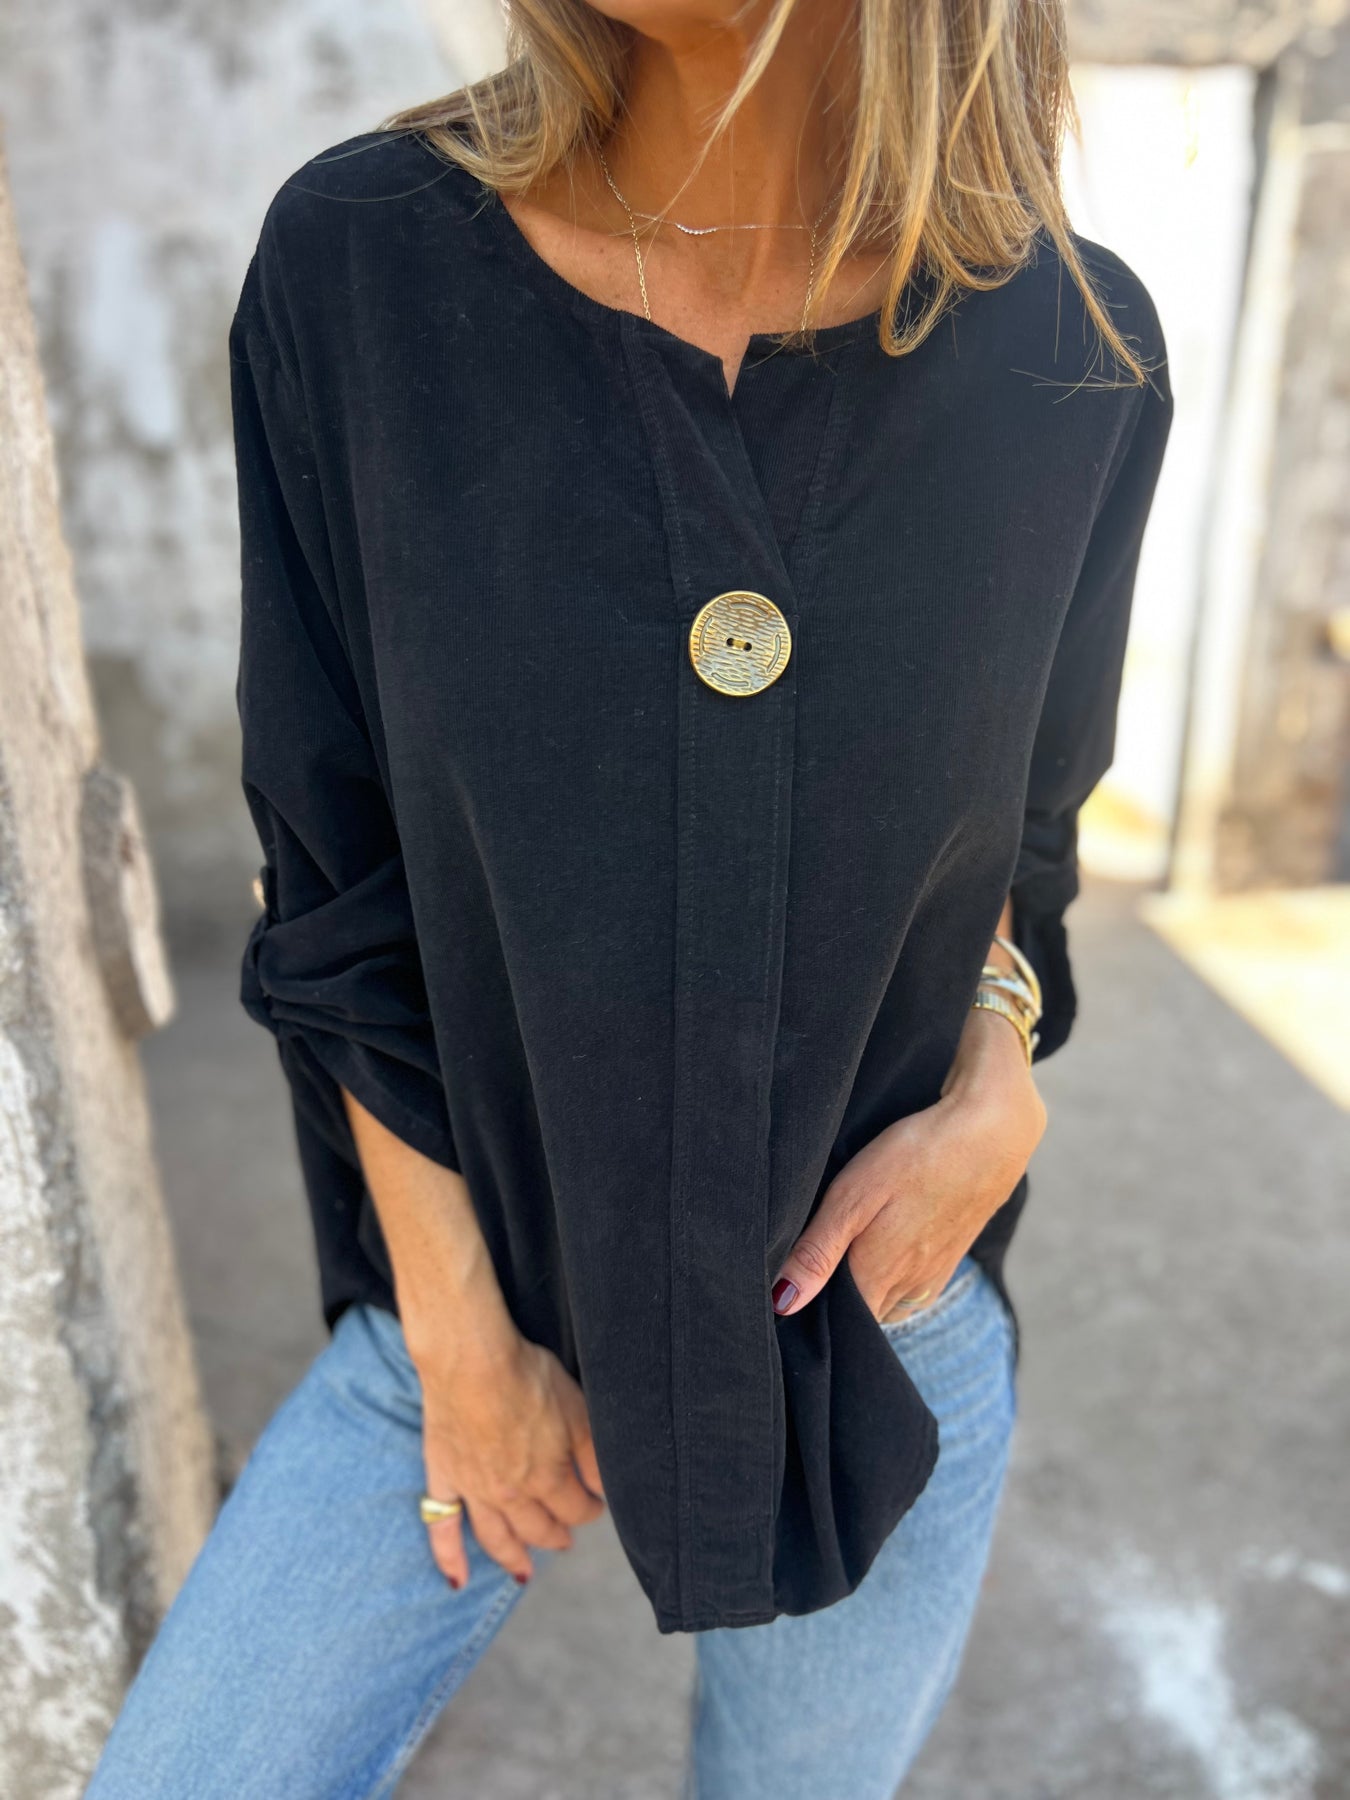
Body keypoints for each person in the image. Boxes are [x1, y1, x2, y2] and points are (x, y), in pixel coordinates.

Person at [86, 0, 1173, 1794]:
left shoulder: (1074, 352)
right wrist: (459, 1341)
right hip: (464, 1299)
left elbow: (1019, 848)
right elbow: (336, 870)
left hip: (873, 1319)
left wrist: (998, 1082)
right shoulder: (364, 271)